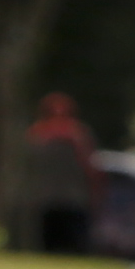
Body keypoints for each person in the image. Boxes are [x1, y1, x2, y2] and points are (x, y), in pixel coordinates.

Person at [22, 90, 97, 255]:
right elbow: (90, 168)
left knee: (65, 246)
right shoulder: (76, 134)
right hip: (53, 200)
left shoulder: (39, 135)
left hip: (67, 200)